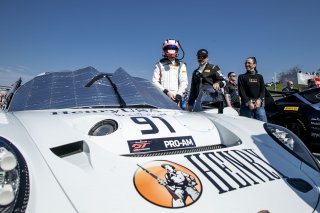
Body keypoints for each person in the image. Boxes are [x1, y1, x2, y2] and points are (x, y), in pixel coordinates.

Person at [152, 39, 188, 107]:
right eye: (169, 49)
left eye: (173, 49)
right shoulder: (159, 65)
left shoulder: (181, 65)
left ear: (177, 50)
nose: (171, 51)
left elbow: (184, 82)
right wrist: (166, 92)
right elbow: (154, 82)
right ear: (164, 50)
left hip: (176, 98)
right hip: (162, 97)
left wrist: (179, 95)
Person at [238, 57, 268, 122]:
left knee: (263, 125)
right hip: (246, 105)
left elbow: (263, 90)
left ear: (254, 65)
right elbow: (241, 91)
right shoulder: (241, 77)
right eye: (246, 63)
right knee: (245, 126)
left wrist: (259, 100)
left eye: (249, 63)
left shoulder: (259, 77)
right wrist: (249, 102)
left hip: (259, 105)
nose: (246, 64)